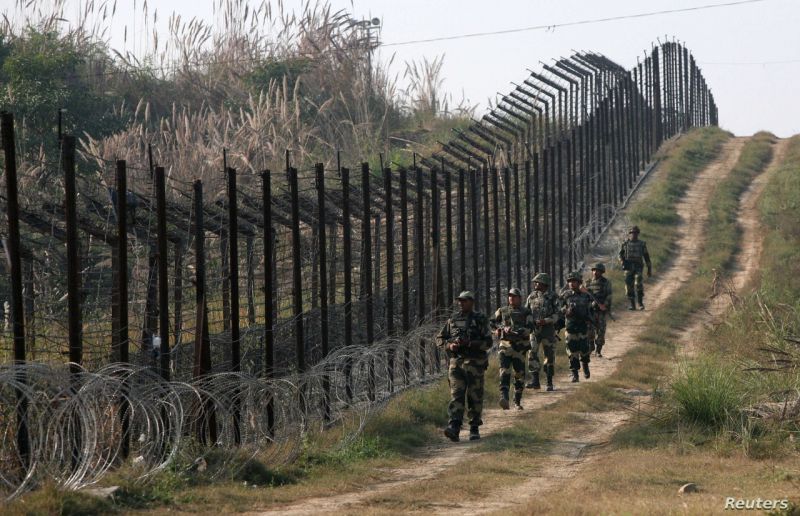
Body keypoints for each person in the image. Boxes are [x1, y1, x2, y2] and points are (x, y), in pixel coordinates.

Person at [437, 291, 493, 442]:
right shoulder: (453, 320)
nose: (461, 303)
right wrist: (450, 345)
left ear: (472, 302)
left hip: (475, 364)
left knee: (474, 396)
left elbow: (488, 342)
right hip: (456, 363)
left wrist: (469, 343)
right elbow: (440, 338)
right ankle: (454, 426)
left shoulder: (480, 319)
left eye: (465, 301)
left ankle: (474, 427)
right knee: (456, 395)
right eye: (460, 301)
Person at [490, 288, 535, 410]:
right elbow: (492, 323)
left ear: (519, 298)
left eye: (514, 296)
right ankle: (504, 397)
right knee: (504, 372)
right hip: (505, 346)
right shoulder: (502, 310)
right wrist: (499, 329)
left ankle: (517, 401)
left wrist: (520, 331)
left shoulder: (526, 312)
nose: (511, 298)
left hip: (520, 348)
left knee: (519, 375)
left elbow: (531, 327)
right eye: (510, 296)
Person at [525, 273, 560, 391]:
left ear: (544, 284)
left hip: (548, 330)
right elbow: (526, 312)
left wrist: (546, 321)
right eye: (535, 282)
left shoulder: (553, 297)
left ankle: (549, 382)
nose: (535, 284)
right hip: (534, 331)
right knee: (532, 353)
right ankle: (535, 381)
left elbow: (557, 314)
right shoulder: (531, 296)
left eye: (537, 282)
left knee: (549, 355)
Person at [561, 271, 596, 382]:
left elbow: (592, 307)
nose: (572, 283)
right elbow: (558, 308)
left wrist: (591, 320)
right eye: (570, 281)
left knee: (584, 349)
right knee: (571, 351)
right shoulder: (565, 295)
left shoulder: (586, 295)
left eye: (574, 281)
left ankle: (585, 365)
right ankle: (574, 373)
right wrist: (566, 311)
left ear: (579, 282)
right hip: (570, 327)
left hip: (583, 327)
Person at [618, 225, 652, 310]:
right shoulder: (625, 244)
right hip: (628, 267)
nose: (634, 234)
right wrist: (622, 261)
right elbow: (620, 254)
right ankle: (632, 304)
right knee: (629, 286)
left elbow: (646, 256)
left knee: (638, 283)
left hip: (638, 266)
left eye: (636, 233)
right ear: (630, 234)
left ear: (638, 234)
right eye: (632, 233)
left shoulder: (641, 244)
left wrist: (649, 269)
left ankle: (640, 303)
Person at [585, 263, 612, 357]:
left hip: (601, 311)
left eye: (598, 271)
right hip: (591, 311)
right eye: (594, 270)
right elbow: (584, 297)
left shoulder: (606, 282)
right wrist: (589, 304)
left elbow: (609, 295)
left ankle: (598, 350)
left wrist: (605, 305)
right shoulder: (587, 282)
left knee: (601, 331)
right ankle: (591, 347)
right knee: (589, 330)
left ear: (602, 272)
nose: (596, 272)